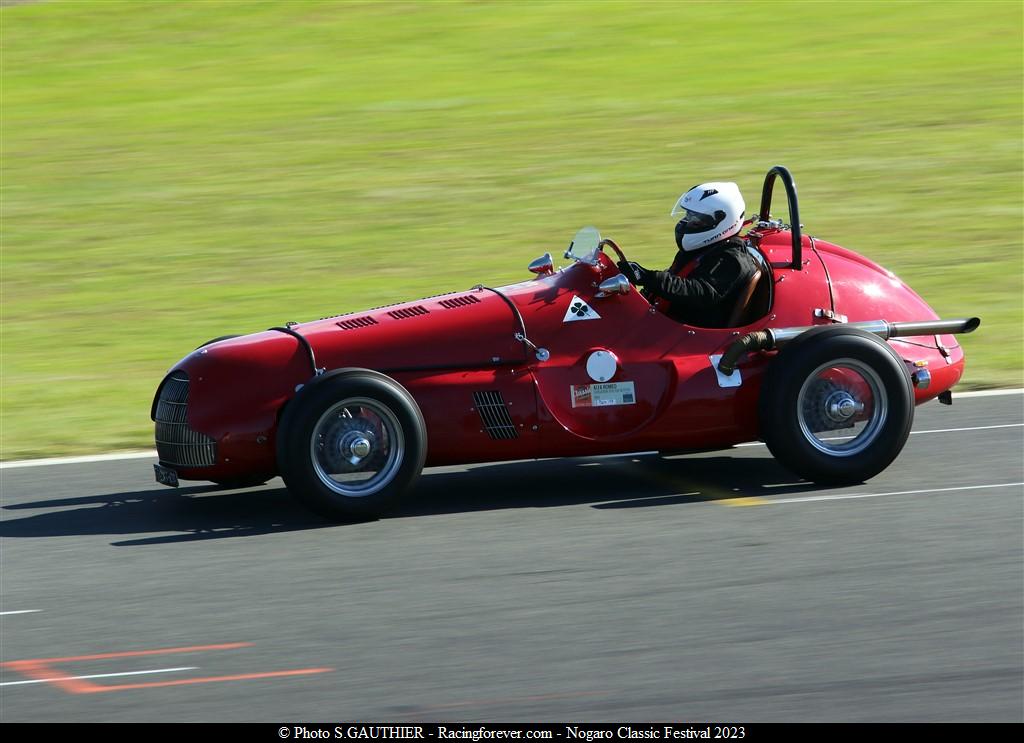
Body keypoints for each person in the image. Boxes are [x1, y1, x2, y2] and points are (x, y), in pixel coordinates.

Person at [617, 181, 761, 327]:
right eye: (688, 215)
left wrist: (647, 277)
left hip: (687, 337)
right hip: (665, 322)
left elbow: (699, 292)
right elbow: (676, 279)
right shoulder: (707, 248)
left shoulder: (733, 259)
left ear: (721, 220)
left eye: (695, 219)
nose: (687, 222)